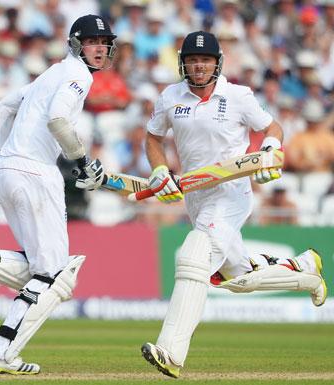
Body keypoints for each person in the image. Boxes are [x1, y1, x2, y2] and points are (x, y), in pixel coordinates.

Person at [140, 30, 327, 379]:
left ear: (217, 63)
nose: (198, 66)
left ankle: (171, 351)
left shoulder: (238, 95)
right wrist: (160, 169)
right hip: (194, 194)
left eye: (205, 60)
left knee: (193, 255)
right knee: (235, 278)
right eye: (193, 60)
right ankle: (306, 272)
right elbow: (153, 137)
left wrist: (270, 148)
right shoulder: (170, 97)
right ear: (183, 63)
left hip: (231, 192)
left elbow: (273, 126)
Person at [0, 14, 117, 375]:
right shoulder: (77, 74)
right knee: (57, 275)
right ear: (75, 44)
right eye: (91, 41)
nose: (99, 48)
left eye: (104, 42)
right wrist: (82, 161)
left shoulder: (51, 72)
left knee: (45, 272)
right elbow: (58, 119)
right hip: (36, 172)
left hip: (8, 169)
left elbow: (2, 108)